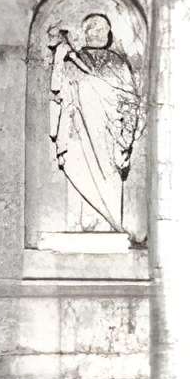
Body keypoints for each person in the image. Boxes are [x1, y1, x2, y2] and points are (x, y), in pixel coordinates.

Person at [49, 12, 143, 233]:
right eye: (93, 27)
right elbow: (58, 90)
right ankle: (79, 224)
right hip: (79, 133)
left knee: (108, 181)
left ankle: (107, 225)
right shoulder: (74, 60)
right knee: (79, 174)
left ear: (109, 33)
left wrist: (125, 139)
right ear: (85, 33)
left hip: (109, 136)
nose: (98, 32)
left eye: (103, 28)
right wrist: (59, 60)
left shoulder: (119, 64)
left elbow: (129, 101)